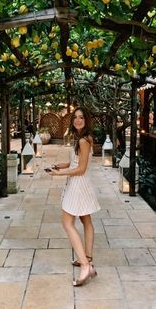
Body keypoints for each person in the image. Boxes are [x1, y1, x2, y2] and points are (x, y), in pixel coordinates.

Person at [47, 107, 100, 286]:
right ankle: (88, 259)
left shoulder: (84, 140)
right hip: (82, 184)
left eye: (81, 117)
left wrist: (58, 175)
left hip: (78, 185)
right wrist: (59, 166)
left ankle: (85, 265)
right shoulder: (81, 138)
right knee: (86, 221)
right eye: (75, 117)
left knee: (67, 223)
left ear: (87, 120)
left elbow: (81, 169)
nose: (77, 120)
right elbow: (74, 162)